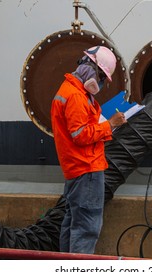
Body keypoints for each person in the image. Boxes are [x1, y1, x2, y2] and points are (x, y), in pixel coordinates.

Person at [51, 46, 127, 254]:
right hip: (86, 168)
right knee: (87, 226)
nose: (101, 82)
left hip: (76, 167)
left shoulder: (72, 91)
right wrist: (110, 124)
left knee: (73, 221)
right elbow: (80, 135)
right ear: (91, 69)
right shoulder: (75, 96)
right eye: (101, 76)